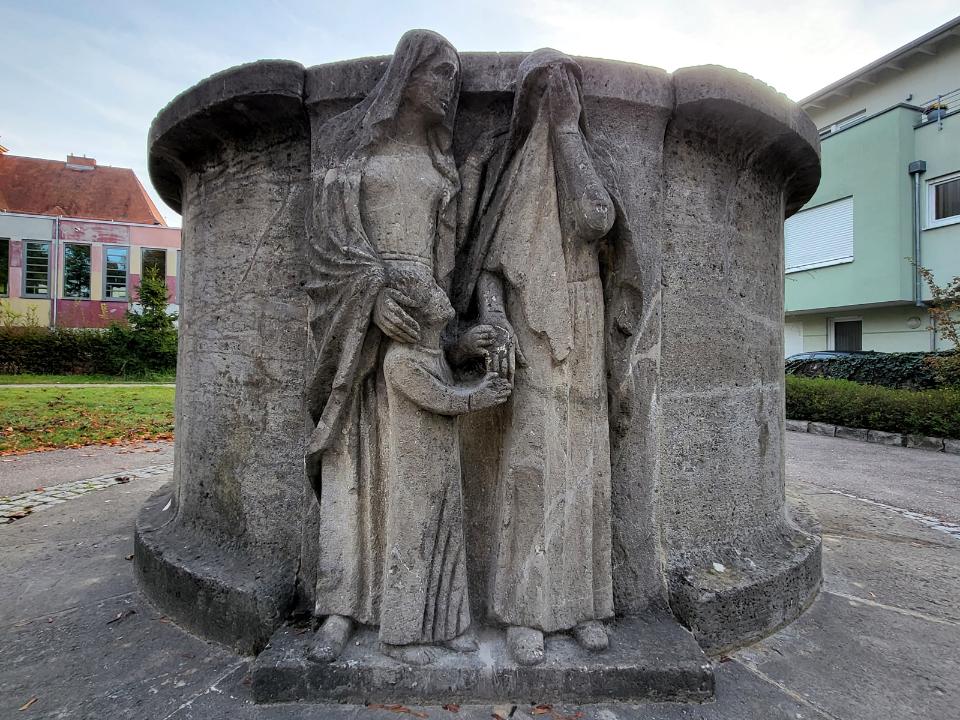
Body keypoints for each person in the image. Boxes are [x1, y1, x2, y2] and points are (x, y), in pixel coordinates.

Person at [302, 29, 492, 663]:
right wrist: (371, 301)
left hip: (422, 334)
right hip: (363, 336)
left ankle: (427, 619)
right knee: (355, 472)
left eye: (454, 77)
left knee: (424, 484)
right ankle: (341, 609)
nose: (448, 87)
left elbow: (444, 271)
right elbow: (325, 251)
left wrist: (458, 334)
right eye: (437, 72)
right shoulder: (352, 151)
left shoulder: (442, 170)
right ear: (405, 74)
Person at [453, 49, 618, 666]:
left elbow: (596, 219)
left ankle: (581, 607)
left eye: (564, 86)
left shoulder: (576, 159)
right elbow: (488, 267)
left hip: (583, 314)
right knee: (531, 467)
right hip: (530, 328)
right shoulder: (508, 167)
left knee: (585, 465)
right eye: (542, 89)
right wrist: (493, 316)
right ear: (524, 99)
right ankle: (526, 611)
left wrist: (570, 131)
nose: (554, 97)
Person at [379, 267, 511, 665]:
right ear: (416, 313)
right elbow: (441, 398)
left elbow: (446, 367)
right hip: (416, 472)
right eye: (432, 293)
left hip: (442, 464)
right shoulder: (401, 361)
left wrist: (466, 346)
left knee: (448, 541)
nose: (442, 294)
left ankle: (449, 627)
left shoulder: (433, 354)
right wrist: (478, 397)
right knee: (416, 544)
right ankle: (400, 637)